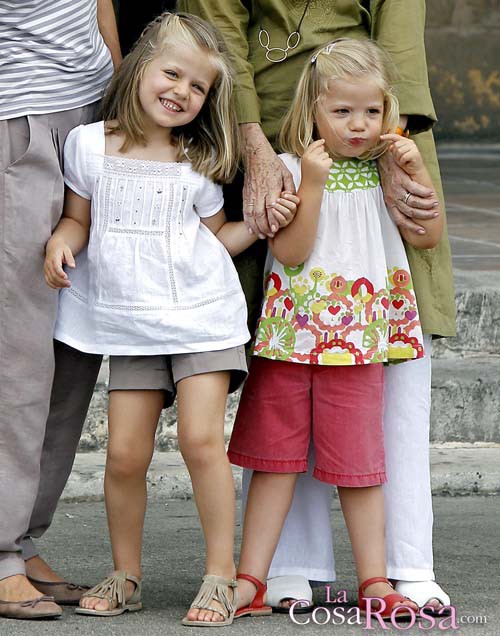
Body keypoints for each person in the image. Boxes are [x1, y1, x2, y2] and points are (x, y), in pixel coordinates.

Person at [178, 0, 456, 612]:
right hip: (290, 340)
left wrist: (409, 165)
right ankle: (258, 575)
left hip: (359, 345)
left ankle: (378, 579)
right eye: (341, 112)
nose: (357, 125)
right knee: (277, 454)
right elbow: (294, 250)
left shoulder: (387, 163)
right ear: (313, 113)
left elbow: (426, 238)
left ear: (387, 114)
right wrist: (308, 182)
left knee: (361, 458)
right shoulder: (294, 168)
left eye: (370, 112)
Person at [43, 12, 297, 626]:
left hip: (202, 316)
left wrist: (265, 219)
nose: (182, 91)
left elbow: (214, 240)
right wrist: (62, 238)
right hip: (131, 319)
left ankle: (219, 575)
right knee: (125, 455)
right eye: (172, 73)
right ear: (138, 68)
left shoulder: (200, 157)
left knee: (201, 441)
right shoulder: (90, 145)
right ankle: (126, 572)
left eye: (198, 86)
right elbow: (81, 217)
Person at [0, 0, 121, 621]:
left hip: (92, 116)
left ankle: (23, 538)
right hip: (18, 116)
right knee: (18, 352)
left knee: (74, 345)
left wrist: (122, 108)